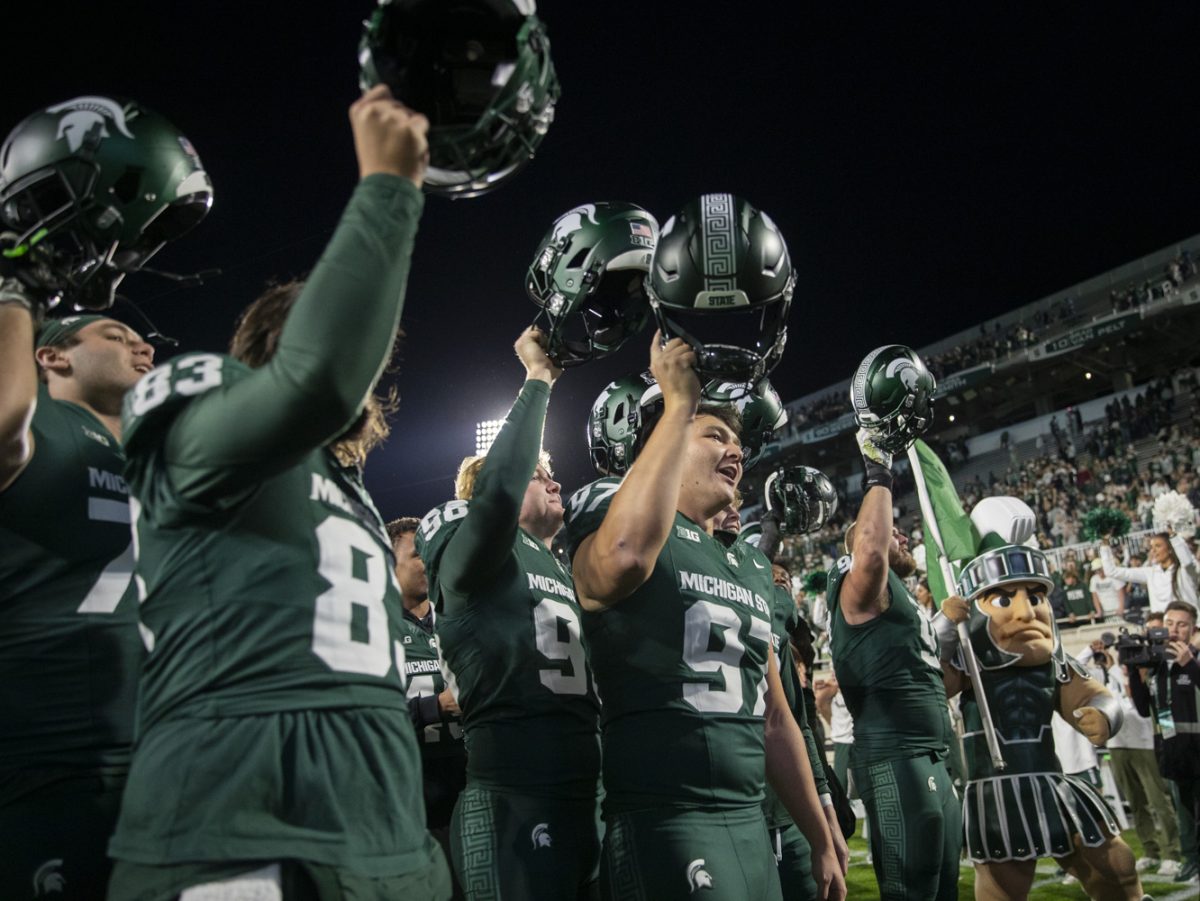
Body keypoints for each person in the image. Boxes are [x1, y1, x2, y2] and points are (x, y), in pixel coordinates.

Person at [106, 86, 451, 899]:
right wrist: (389, 189)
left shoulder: (353, 492)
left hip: (379, 833)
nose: (369, 366)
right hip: (239, 826)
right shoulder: (197, 409)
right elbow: (318, 380)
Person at [564, 333, 844, 901]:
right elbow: (621, 559)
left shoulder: (745, 564)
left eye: (738, 441)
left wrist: (818, 833)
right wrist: (679, 405)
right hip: (663, 817)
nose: (736, 452)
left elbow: (774, 717)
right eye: (715, 435)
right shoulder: (611, 510)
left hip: (750, 820)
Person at [417, 327, 602, 900]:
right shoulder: (458, 525)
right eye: (539, 472)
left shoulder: (560, 565)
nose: (556, 480)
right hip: (515, 791)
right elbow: (493, 505)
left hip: (589, 789)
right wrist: (539, 379)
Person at [0, 309, 153, 898]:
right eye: (116, 337)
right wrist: (17, 297)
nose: (140, 348)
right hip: (48, 755)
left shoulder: (152, 459)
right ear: (53, 356)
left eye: (143, 342)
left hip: (154, 753)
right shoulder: (39, 422)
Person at [941, 544, 1144, 900]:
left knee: (1115, 865)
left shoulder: (1054, 664)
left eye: (1036, 598)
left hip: (1054, 783)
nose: (1027, 612)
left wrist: (1103, 716)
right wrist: (942, 629)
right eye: (1004, 601)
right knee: (1004, 885)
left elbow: (1096, 695)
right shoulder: (969, 663)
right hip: (996, 793)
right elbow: (927, 683)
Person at [827, 430, 960, 901]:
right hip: (897, 760)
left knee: (943, 890)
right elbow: (871, 551)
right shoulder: (862, 586)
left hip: (933, 758)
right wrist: (879, 472)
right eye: (890, 531)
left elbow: (926, 683)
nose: (902, 535)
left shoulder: (903, 602)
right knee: (912, 892)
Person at [388, 517, 466, 899]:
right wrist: (434, 707)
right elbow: (369, 720)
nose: (428, 562)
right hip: (413, 805)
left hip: (468, 794)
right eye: (417, 555)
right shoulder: (376, 627)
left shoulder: (454, 619)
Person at [1080, 639, 1184, 879]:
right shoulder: (1101, 676)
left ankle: (1172, 854)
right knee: (1136, 804)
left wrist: (1122, 670)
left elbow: (1139, 707)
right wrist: (1093, 651)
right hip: (1117, 746)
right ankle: (1150, 850)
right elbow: (1077, 665)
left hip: (1144, 745)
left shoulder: (1142, 675)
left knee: (1159, 802)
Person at [1127, 600, 1200, 883]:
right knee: (1184, 815)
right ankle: (1191, 861)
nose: (1174, 630)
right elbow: (1145, 709)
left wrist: (1191, 666)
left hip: (1198, 750)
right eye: (1170, 624)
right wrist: (1134, 670)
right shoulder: (1158, 666)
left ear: (1192, 629)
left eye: (1182, 625)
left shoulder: (1194, 659)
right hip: (1172, 751)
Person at [1101, 532, 1199, 612]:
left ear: (1170, 549)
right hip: (1162, 631)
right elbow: (1111, 571)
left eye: (1158, 546)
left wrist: (1174, 537)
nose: (1153, 551)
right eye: (1152, 547)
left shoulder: (1185, 571)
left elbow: (1187, 562)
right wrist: (1105, 544)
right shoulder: (1150, 572)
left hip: (1191, 628)